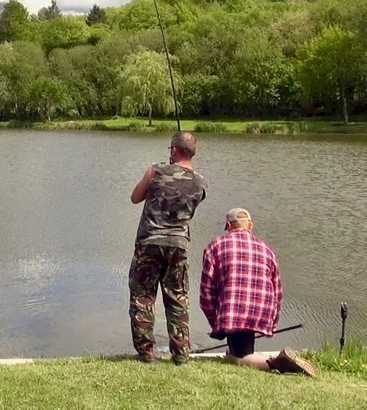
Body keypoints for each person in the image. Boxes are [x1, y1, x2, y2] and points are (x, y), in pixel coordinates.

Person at [200, 208, 318, 377]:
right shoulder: (267, 249)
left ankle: (278, 362)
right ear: (251, 226)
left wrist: (216, 323)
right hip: (263, 310)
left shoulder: (216, 246)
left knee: (237, 358)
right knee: (242, 347)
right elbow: (278, 291)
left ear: (228, 225)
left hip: (233, 310)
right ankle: (255, 356)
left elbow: (206, 292)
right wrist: (272, 322)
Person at [129, 131, 208, 365]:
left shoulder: (156, 171)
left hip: (149, 244)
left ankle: (146, 353)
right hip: (178, 246)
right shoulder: (201, 182)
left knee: (143, 297)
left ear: (174, 150)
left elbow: (135, 197)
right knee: (177, 299)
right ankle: (181, 354)